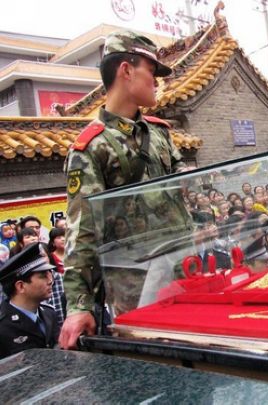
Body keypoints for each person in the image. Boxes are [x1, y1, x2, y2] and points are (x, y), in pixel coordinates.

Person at [60, 31, 192, 350]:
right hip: (137, 289)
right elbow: (82, 230)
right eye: (152, 70)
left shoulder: (159, 134)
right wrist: (79, 305)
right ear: (126, 70)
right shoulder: (92, 147)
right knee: (157, 367)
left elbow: (181, 177)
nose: (157, 82)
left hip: (184, 272)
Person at [0, 243, 59, 359]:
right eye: (43, 276)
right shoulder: (3, 325)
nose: (50, 280)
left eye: (50, 273)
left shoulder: (49, 313)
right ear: (21, 286)